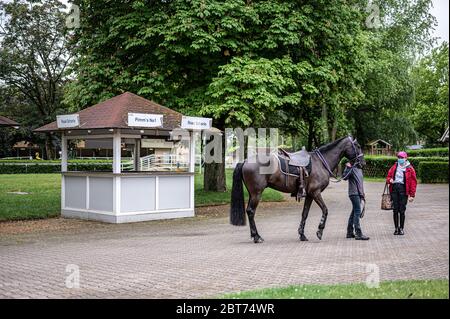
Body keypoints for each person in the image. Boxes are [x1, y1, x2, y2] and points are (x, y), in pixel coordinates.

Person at [386, 151, 417, 235]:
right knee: (395, 210)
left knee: (402, 210)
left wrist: (412, 195)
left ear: (405, 158)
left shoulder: (410, 168)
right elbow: (388, 177)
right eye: (399, 157)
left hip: (404, 190)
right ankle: (396, 228)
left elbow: (413, 182)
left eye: (402, 158)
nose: (400, 159)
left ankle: (401, 228)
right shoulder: (394, 166)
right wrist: (390, 180)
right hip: (394, 189)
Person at [343, 161, 369, 240]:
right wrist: (348, 168)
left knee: (354, 212)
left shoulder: (359, 169)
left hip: (359, 193)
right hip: (354, 193)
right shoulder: (352, 168)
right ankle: (358, 234)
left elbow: (360, 183)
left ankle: (349, 232)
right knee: (357, 211)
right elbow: (344, 177)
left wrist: (362, 194)